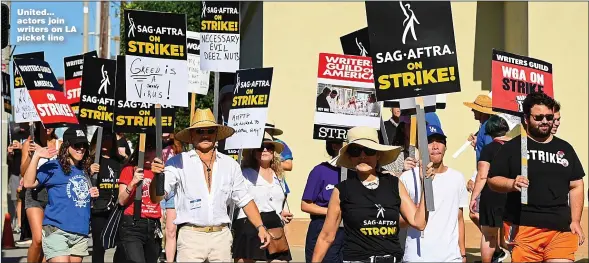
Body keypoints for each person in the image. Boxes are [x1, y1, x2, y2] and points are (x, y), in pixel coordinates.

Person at [150, 108, 271, 262]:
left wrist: (260, 227)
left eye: (210, 130)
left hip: (221, 236)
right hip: (191, 237)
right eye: (200, 131)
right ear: (192, 135)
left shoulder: (230, 164)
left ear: (216, 134)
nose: (205, 135)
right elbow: (156, 197)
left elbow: (245, 199)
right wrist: (156, 178)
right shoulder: (177, 162)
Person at [312, 126, 434, 263]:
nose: (362, 156)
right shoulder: (342, 190)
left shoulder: (394, 184)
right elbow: (326, 236)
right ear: (350, 157)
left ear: (378, 155)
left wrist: (426, 186)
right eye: (355, 151)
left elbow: (419, 222)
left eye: (369, 150)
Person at [488, 92, 585, 262]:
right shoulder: (512, 147)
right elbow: (493, 180)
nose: (545, 121)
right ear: (526, 118)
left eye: (549, 117)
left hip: (560, 228)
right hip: (524, 227)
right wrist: (512, 183)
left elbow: (576, 184)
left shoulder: (565, 148)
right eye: (539, 117)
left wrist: (576, 220)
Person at [22, 127, 99, 262]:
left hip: (80, 232)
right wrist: (36, 156)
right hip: (57, 230)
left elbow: (79, 196)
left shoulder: (84, 170)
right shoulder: (53, 166)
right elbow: (28, 183)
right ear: (67, 146)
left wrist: (91, 193)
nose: (81, 149)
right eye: (76, 145)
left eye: (84, 145)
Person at [399, 124, 468, 262]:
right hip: (417, 257)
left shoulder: (457, 178)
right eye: (430, 142)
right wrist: (416, 212)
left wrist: (463, 253)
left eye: (440, 141)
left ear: (445, 147)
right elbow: (398, 221)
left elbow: (459, 218)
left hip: (450, 258)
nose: (435, 146)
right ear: (421, 147)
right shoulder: (407, 178)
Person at [232, 132, 293, 262]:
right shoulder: (244, 174)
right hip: (249, 223)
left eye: (269, 147)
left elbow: (276, 201)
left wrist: (281, 213)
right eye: (260, 147)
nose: (265, 150)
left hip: (274, 225)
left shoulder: (279, 175)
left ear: (273, 152)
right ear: (254, 152)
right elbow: (239, 199)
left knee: (280, 260)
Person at [114, 134, 163, 263]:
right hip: (132, 225)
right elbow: (121, 200)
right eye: (144, 148)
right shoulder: (129, 169)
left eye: (151, 148)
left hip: (153, 225)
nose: (147, 153)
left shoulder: (160, 172)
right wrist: (133, 182)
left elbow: (161, 199)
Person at [469, 115, 510, 263]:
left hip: (492, 194)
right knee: (515, 235)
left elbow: (482, 176)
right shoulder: (518, 147)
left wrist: (474, 197)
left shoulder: (488, 149)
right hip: (513, 193)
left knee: (489, 235)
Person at [20, 122, 60, 263]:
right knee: (37, 239)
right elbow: (23, 172)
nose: (48, 127)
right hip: (34, 194)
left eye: (51, 124)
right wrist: (33, 155)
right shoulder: (29, 144)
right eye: (44, 124)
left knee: (48, 241)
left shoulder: (59, 144)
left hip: (54, 195)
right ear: (38, 125)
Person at [301, 140, 345, 263]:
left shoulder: (358, 172)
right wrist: (333, 212)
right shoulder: (320, 170)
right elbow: (305, 205)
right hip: (322, 227)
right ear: (335, 145)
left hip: (348, 232)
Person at [463, 95, 496, 226]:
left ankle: (492, 240)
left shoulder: (486, 128)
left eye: (474, 109)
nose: (472, 111)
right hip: (485, 174)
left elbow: (488, 155)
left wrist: (476, 177)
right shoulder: (486, 126)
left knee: (475, 213)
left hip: (485, 175)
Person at [89, 130, 121, 263]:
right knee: (99, 246)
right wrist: (89, 172)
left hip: (117, 208)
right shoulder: (92, 160)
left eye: (109, 138)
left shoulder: (119, 161)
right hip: (99, 208)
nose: (106, 141)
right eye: (103, 137)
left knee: (121, 245)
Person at [160, 134, 183, 263]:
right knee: (161, 225)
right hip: (159, 188)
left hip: (173, 190)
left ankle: (170, 259)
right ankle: (161, 249)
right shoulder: (155, 144)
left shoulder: (177, 147)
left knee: (171, 229)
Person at [8, 140, 23, 232]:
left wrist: (22, 147)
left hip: (24, 175)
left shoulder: (30, 136)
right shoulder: (8, 135)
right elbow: (9, 160)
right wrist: (9, 153)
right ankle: (14, 223)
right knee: (15, 200)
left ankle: (19, 224)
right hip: (14, 175)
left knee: (20, 200)